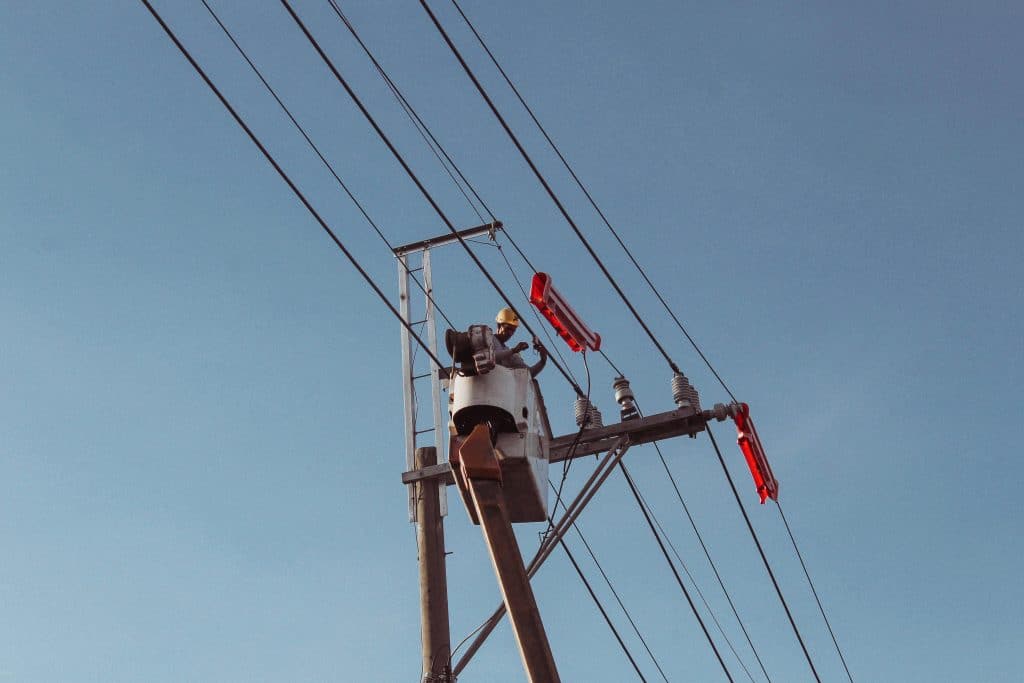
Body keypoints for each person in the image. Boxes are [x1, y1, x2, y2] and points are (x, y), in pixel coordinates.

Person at [490, 307, 547, 377]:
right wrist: (514, 350)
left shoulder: (510, 354)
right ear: (499, 325)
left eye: (513, 330)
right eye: (508, 328)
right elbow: (489, 357)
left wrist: (542, 361)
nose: (510, 333)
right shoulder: (488, 338)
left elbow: (528, 374)